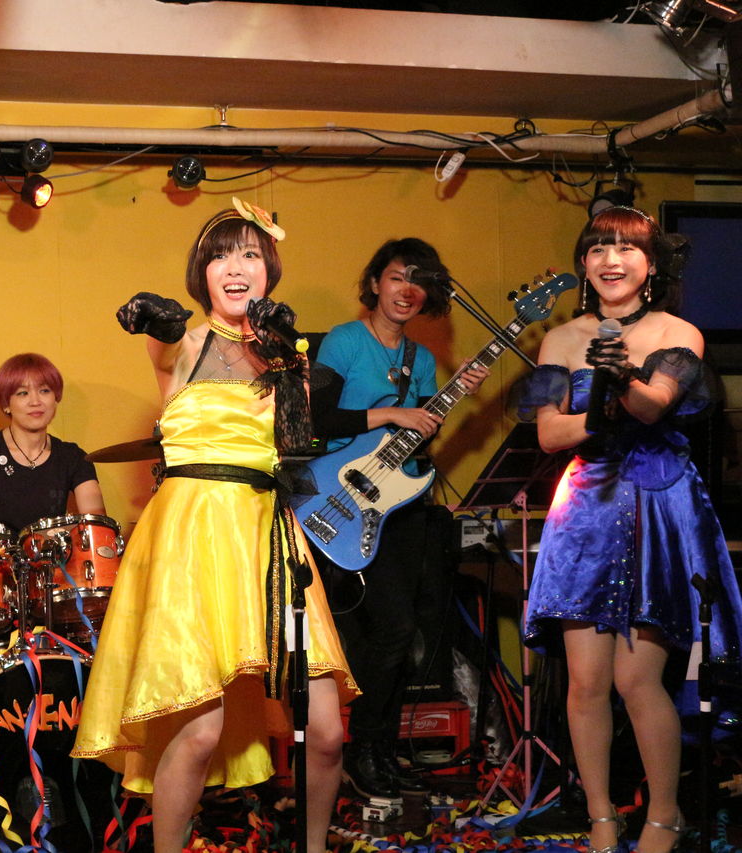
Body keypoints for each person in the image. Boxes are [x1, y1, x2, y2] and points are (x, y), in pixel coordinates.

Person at [72, 200, 357, 853]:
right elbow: (160, 331)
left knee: (326, 732)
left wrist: (285, 356)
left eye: (250, 254)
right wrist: (154, 316)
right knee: (198, 732)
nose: (235, 267)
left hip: (265, 535)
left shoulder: (290, 354)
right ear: (201, 273)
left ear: (269, 272)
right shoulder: (181, 344)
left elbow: (296, 447)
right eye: (221, 255)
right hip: (192, 536)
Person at [520, 206, 742, 853]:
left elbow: (653, 406)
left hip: (658, 504)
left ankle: (663, 817)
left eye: (625, 248)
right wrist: (601, 409)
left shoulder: (679, 332)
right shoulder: (562, 339)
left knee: (637, 679)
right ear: (583, 263)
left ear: (651, 265)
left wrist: (617, 381)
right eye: (597, 248)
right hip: (587, 507)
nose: (610, 260)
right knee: (586, 683)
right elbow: (549, 433)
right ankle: (601, 817)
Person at [309, 237, 488, 799]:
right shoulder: (344, 341)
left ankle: (378, 749)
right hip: (339, 496)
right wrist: (390, 413)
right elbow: (315, 418)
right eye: (396, 277)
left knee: (407, 632)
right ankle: (359, 748)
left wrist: (447, 403)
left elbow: (415, 442)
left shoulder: (423, 361)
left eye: (418, 280)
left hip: (400, 505)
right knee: (384, 630)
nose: (407, 290)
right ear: (375, 283)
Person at [0, 352, 105, 532]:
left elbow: (98, 527)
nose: (35, 401)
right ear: (6, 404)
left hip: (52, 550)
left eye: (44, 391)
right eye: (22, 393)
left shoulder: (73, 457)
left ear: (55, 398)